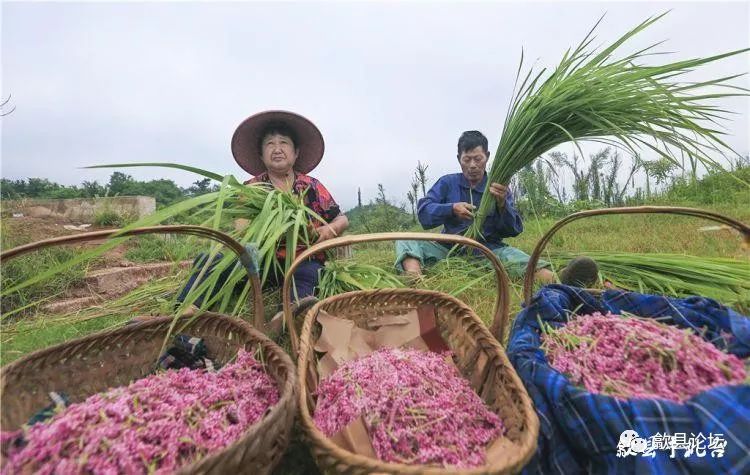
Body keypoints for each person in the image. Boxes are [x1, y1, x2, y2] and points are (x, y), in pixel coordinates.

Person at [177, 110, 348, 324]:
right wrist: (267, 232)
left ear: (295, 153)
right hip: (260, 264)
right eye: (269, 144)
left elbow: (341, 218)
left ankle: (287, 315)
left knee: (311, 272)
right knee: (210, 260)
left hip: (301, 259)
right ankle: (186, 310)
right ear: (261, 155)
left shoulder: (311, 186)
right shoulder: (252, 189)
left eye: (284, 143)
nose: (277, 149)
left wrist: (328, 230)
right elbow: (242, 230)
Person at [394, 130, 598, 286]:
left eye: (478, 159)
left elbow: (514, 230)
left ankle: (560, 280)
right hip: (448, 247)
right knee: (407, 240)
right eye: (467, 160)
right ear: (459, 159)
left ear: (487, 157)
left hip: (487, 250)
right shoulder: (447, 183)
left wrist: (502, 204)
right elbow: (424, 213)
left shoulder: (497, 186)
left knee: (513, 257)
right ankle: (415, 280)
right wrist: (451, 208)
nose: (472, 165)